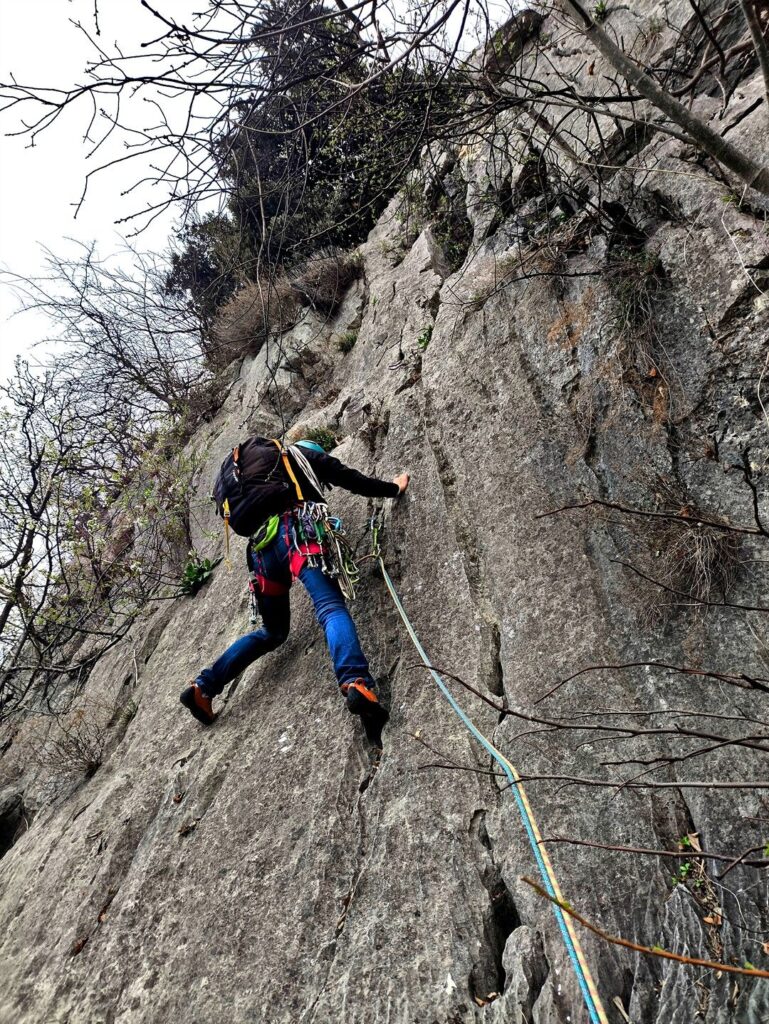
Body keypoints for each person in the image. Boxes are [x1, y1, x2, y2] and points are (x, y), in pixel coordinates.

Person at [180, 438, 409, 747]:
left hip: (261, 552)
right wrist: (393, 488)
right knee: (330, 608)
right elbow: (348, 478)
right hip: (296, 534)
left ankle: (204, 687)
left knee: (272, 632)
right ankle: (355, 681)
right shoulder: (297, 455)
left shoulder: (252, 478)